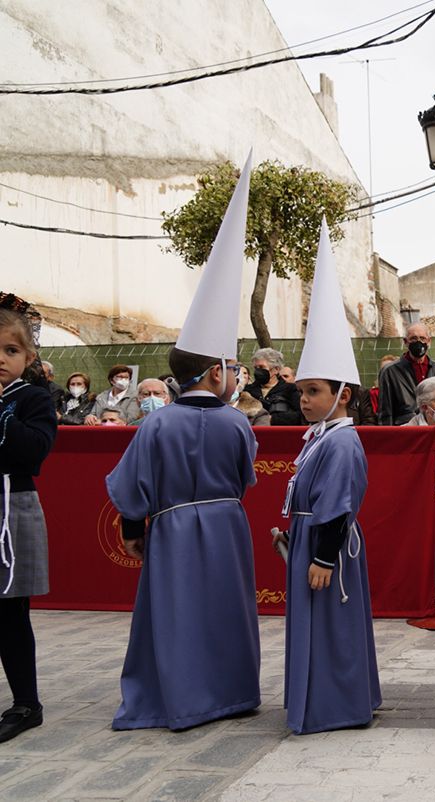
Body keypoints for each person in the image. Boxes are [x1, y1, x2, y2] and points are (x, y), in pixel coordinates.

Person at [106, 157, 261, 731]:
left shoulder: (156, 423)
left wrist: (133, 532)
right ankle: (232, 693)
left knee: (174, 615)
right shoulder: (237, 423)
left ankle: (176, 697)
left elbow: (130, 493)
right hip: (225, 525)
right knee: (225, 611)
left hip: (170, 529)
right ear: (216, 371)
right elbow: (246, 477)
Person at [274, 218, 380, 735]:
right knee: (321, 625)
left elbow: (338, 504)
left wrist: (320, 556)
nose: (305, 399)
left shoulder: (340, 441)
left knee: (332, 626)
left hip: (328, 545)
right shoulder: (319, 436)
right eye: (301, 392)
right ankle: (326, 697)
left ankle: (335, 703)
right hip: (312, 538)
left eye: (314, 391)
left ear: (342, 395)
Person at [0, 307, 58, 744]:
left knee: (10, 610)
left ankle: (26, 702)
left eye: (11, 350)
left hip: (11, 505)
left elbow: (34, 452)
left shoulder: (33, 399)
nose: (1, 358)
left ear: (29, 356)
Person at [404, 376, 435, 600]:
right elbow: (404, 476)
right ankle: (434, 580)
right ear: (426, 408)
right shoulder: (406, 433)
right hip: (413, 498)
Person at [377, 323, 435, 425]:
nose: (419, 342)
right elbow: (385, 411)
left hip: (434, 426)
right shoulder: (390, 371)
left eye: (422, 338)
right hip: (404, 428)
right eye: (413, 338)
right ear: (405, 342)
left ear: (429, 341)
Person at [246, 348, 302, 426]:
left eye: (262, 367)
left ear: (276, 369)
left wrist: (273, 419)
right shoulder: (247, 391)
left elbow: (301, 415)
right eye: (256, 368)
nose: (258, 371)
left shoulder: (290, 389)